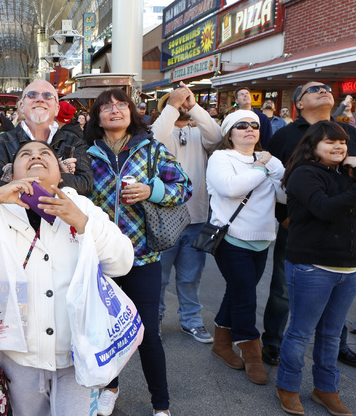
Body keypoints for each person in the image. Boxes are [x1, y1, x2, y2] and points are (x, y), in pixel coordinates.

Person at [0, 140, 134, 416]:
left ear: (60, 172)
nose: (35, 157)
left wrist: (84, 224)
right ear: (12, 174)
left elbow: (122, 260)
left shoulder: (82, 207)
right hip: (19, 358)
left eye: (45, 154)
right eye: (25, 154)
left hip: (76, 359)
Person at [85, 88, 192, 416]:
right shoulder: (87, 153)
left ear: (131, 113)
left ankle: (161, 405)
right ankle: (110, 386)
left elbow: (184, 186)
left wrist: (152, 190)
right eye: (106, 106)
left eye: (121, 105)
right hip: (99, 259)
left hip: (143, 257)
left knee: (148, 335)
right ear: (98, 118)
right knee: (104, 330)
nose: (114, 110)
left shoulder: (151, 149)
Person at [264, 81, 356, 368]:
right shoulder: (285, 136)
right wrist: (284, 218)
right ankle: (273, 342)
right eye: (314, 89)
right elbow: (273, 182)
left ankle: (337, 344)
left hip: (343, 231)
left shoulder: (350, 133)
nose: (323, 90)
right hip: (299, 229)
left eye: (327, 88)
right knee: (282, 288)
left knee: (336, 294)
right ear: (299, 104)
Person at [275, 120, 356, 416]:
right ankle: (288, 387)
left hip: (348, 268)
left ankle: (326, 388)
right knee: (300, 332)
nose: (338, 147)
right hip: (312, 265)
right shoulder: (303, 174)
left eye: (342, 142)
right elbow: (323, 208)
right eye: (330, 142)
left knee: (332, 334)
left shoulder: (346, 175)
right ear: (313, 146)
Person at [207, 110, 286, 386]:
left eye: (254, 125)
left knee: (238, 291)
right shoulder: (221, 158)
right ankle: (251, 351)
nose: (249, 129)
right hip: (231, 239)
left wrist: (271, 167)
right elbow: (231, 188)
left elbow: (286, 193)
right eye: (241, 125)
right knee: (245, 297)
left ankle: (221, 343)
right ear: (230, 133)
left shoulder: (269, 160)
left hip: (262, 239)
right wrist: (262, 168)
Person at [152, 82, 223, 344]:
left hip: (196, 218)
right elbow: (155, 139)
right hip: (163, 217)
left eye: (185, 102)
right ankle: (154, 319)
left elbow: (216, 137)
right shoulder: (159, 132)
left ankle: (191, 320)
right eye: (176, 102)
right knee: (157, 278)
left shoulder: (199, 133)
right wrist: (172, 104)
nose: (182, 104)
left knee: (191, 276)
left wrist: (194, 106)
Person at [0, 80, 92, 195]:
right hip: (15, 212)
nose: (40, 99)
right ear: (22, 106)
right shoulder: (2, 142)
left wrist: (15, 178)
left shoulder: (74, 143)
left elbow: (86, 185)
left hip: (58, 212)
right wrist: (58, 175)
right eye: (32, 95)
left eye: (48, 96)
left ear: (57, 109)